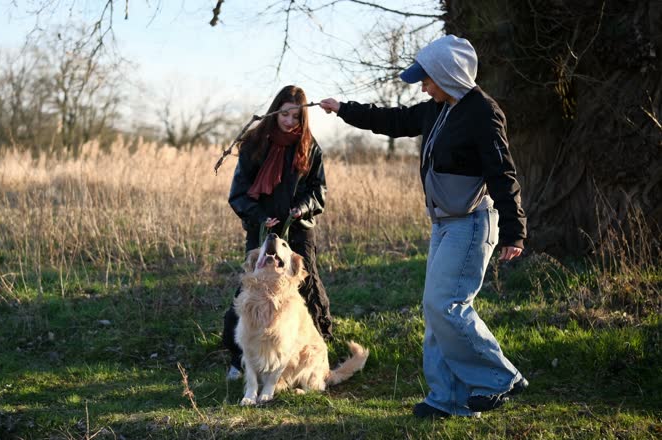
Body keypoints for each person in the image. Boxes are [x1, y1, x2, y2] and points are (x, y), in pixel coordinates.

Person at [319, 35, 528, 418]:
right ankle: (447, 399)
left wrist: (515, 231)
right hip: (444, 225)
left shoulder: (482, 111)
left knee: (445, 305)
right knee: (435, 312)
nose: (422, 85)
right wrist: (344, 109)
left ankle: (499, 377)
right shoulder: (438, 108)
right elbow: (393, 120)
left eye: (427, 78)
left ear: (448, 75)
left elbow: (502, 172)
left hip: (472, 223)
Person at [223, 85, 333, 380]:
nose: (289, 121)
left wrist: (300, 209)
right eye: (284, 114)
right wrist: (261, 217)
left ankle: (312, 353)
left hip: (297, 229)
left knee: (305, 288)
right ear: (275, 111)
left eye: (296, 116)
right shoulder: (255, 144)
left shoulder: (310, 148)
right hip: (261, 229)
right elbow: (238, 194)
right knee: (251, 290)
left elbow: (318, 192)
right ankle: (241, 358)